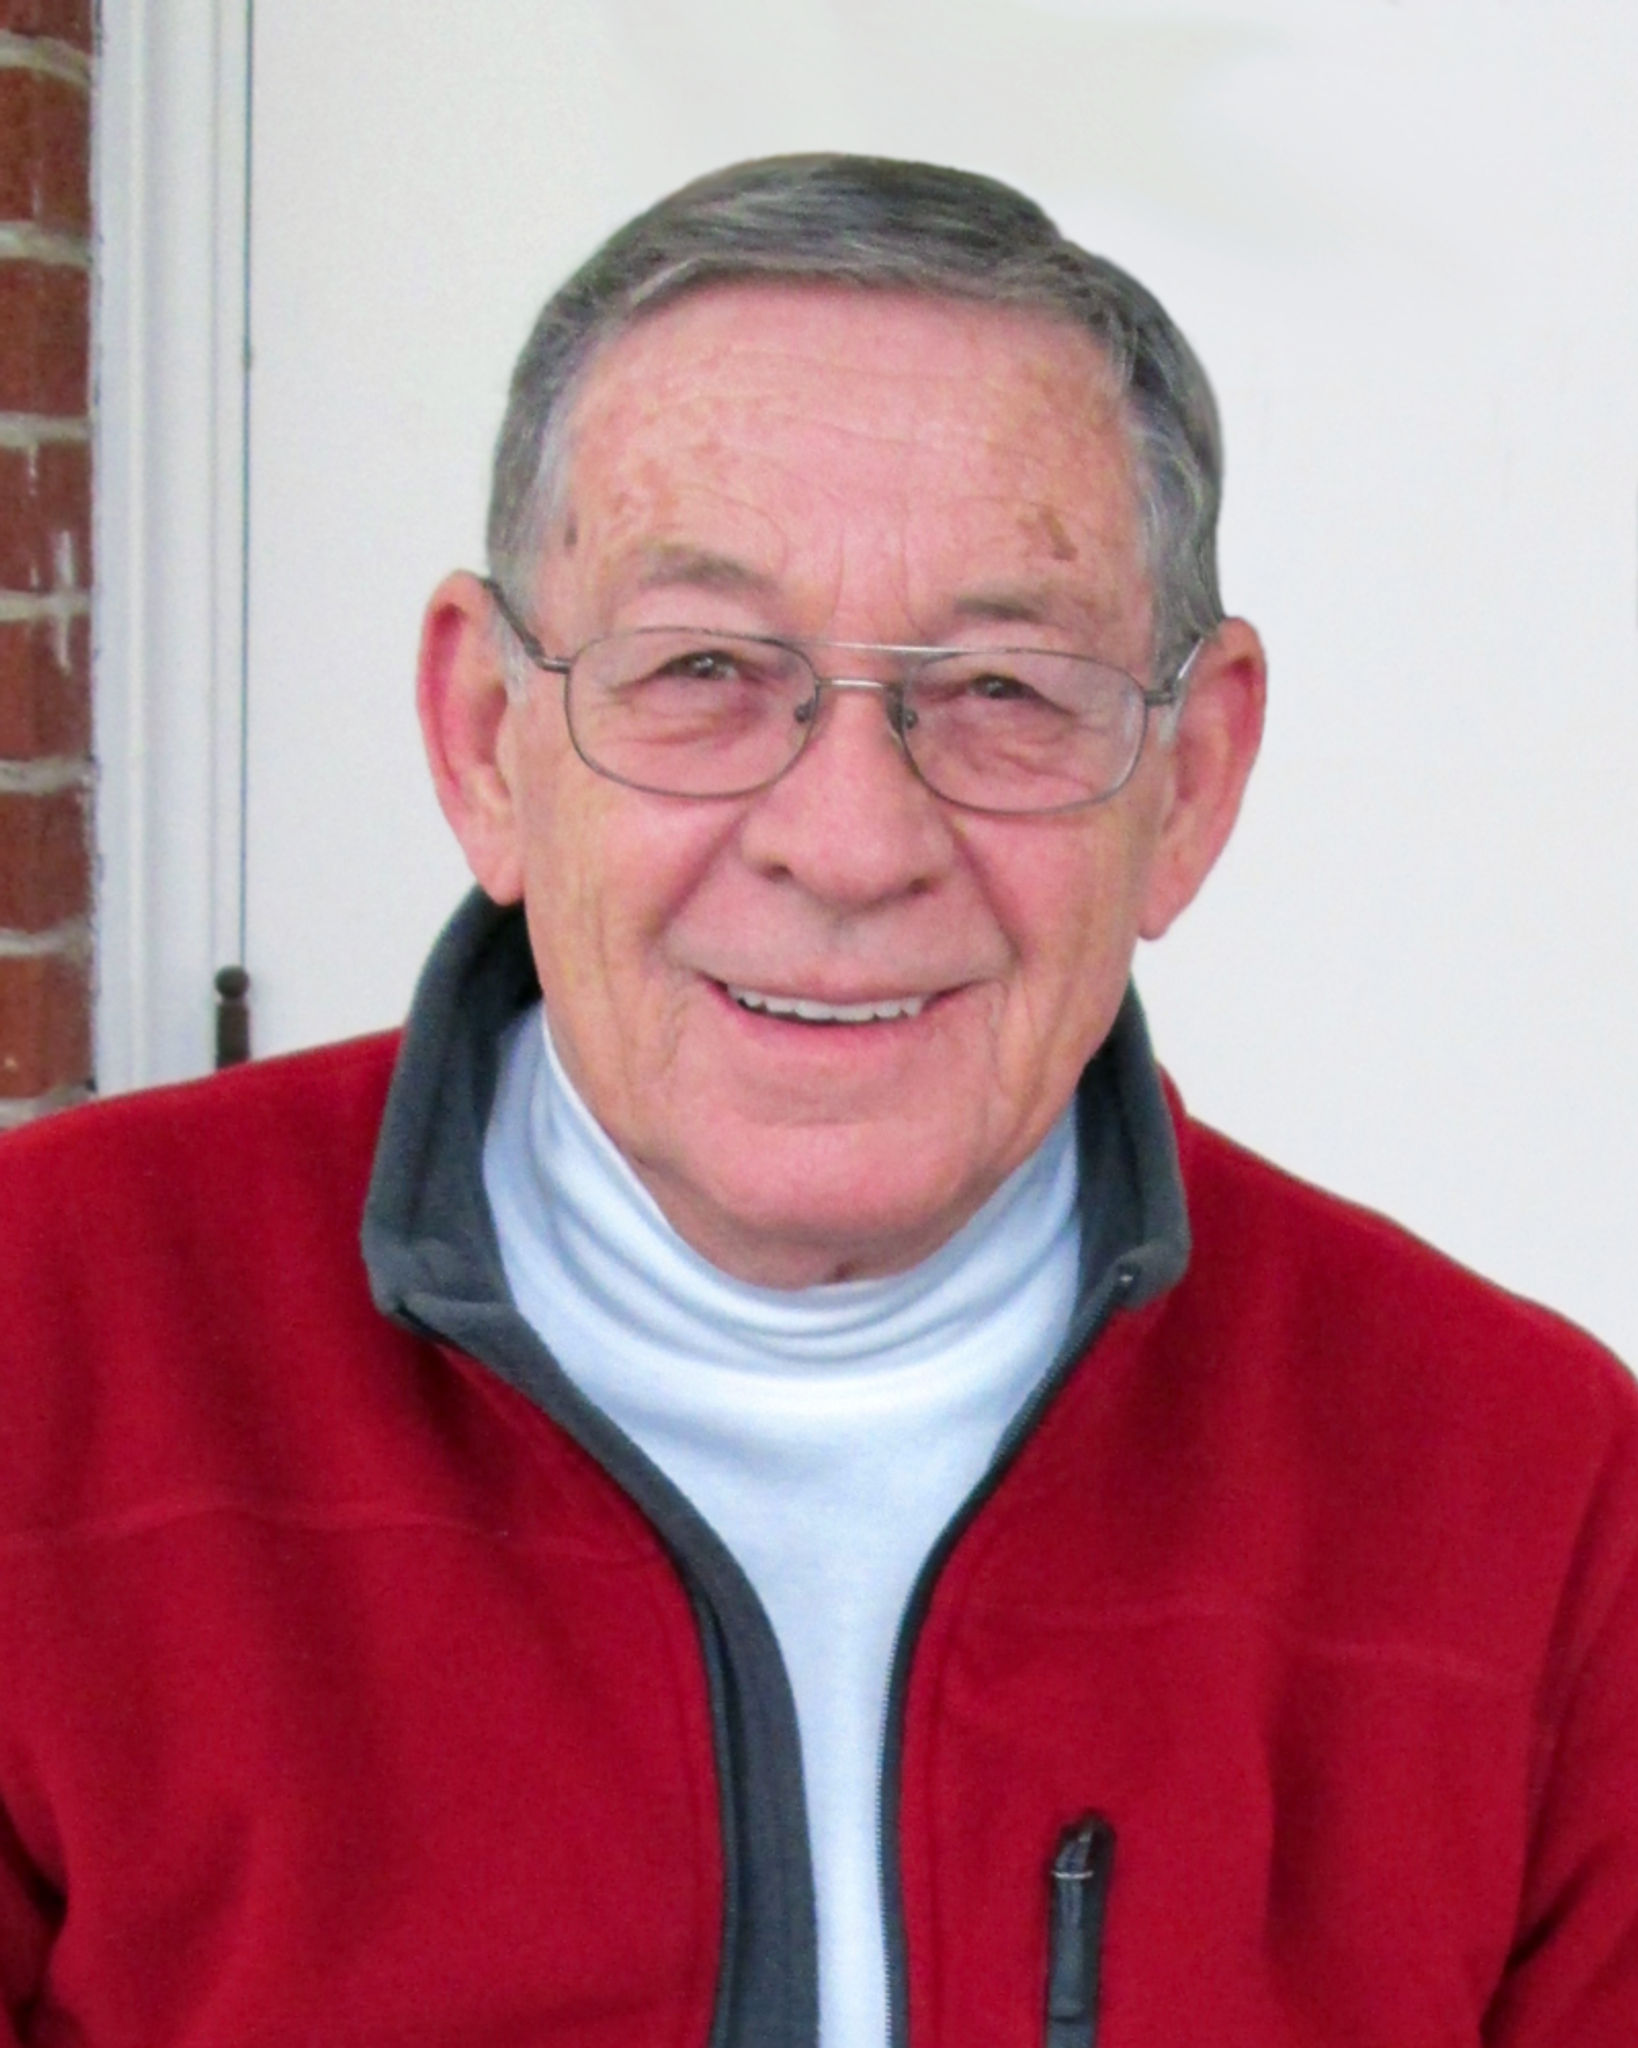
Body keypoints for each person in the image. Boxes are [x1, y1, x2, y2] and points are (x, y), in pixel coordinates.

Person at [0, 155, 1634, 2048]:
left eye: (1003, 687)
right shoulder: (46, 1341)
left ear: (1186, 781)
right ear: (485, 740)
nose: (851, 842)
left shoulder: (1529, 1494)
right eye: (702, 668)